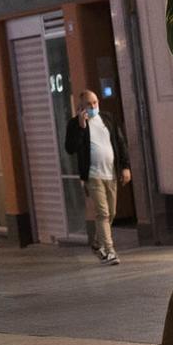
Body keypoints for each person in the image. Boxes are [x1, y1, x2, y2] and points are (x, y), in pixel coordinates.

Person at [63, 90, 131, 265]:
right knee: (103, 213)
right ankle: (110, 251)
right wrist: (81, 126)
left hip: (111, 173)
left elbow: (120, 142)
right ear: (81, 107)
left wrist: (125, 167)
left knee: (112, 213)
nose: (93, 107)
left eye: (95, 103)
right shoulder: (74, 124)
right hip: (93, 175)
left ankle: (97, 243)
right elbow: (70, 148)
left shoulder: (107, 119)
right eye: (89, 104)